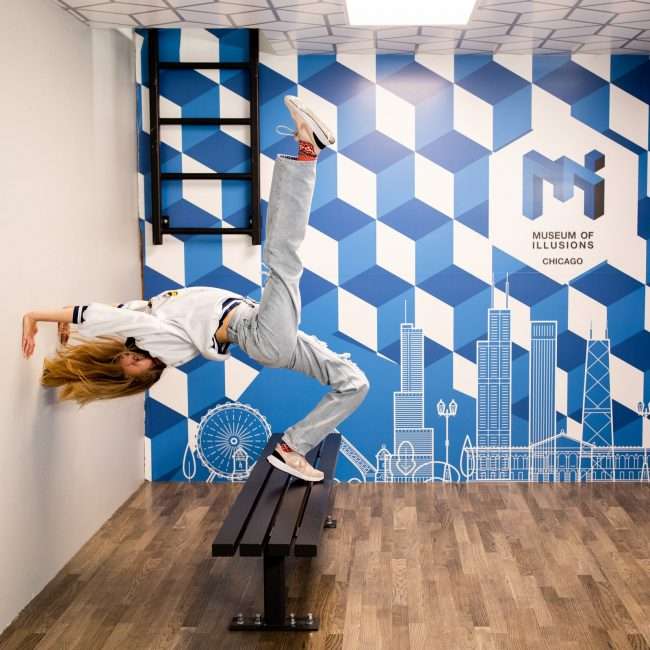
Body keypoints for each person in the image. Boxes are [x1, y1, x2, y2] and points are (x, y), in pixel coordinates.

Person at [21, 95, 370, 483]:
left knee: (354, 382)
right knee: (283, 256)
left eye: (125, 359)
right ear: (148, 373)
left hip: (261, 329)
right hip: (259, 335)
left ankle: (293, 447)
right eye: (136, 368)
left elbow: (114, 314)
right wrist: (38, 315)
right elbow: (107, 317)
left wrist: (70, 323)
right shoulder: (159, 343)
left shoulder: (149, 316)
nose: (134, 359)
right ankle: (307, 151)